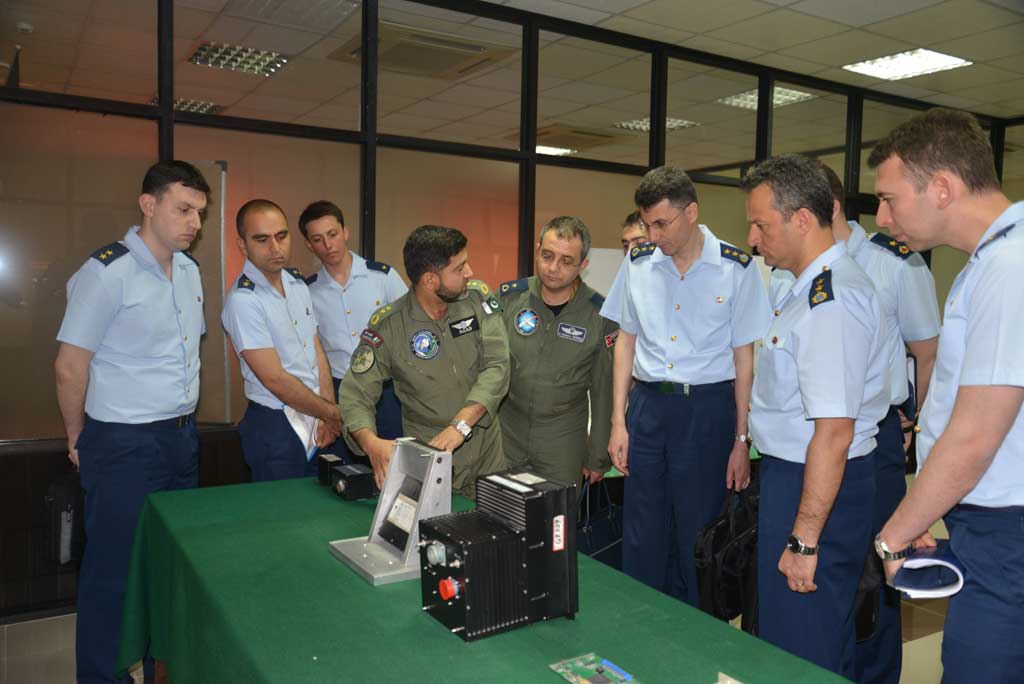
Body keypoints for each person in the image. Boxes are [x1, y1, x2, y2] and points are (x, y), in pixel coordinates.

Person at [872, 109, 1024, 684]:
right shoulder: (992, 261)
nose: (883, 217)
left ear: (942, 187)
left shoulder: (1009, 267)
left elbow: (977, 435)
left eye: (889, 199)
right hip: (992, 525)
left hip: (1008, 533)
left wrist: (892, 537)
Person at [54, 161, 210, 684]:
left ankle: (160, 669)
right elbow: (69, 365)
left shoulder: (188, 271)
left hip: (181, 439)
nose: (194, 223)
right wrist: (79, 437)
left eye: (200, 213)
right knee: (114, 578)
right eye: (183, 209)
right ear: (149, 205)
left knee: (165, 569)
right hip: (123, 444)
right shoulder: (107, 271)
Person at [744, 154, 889, 678]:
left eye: (761, 225)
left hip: (817, 484)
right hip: (797, 477)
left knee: (805, 644)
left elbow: (832, 433)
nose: (754, 239)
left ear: (801, 220)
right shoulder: (805, 288)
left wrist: (804, 541)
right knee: (800, 635)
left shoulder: (832, 301)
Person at [601, 166, 770, 606]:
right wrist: (618, 421)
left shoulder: (736, 268)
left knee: (698, 530)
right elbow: (625, 342)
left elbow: (743, 358)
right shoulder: (638, 265)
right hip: (649, 407)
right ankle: (640, 618)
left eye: (662, 223)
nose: (653, 235)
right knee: (643, 527)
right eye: (647, 224)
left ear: (690, 212)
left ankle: (694, 632)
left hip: (706, 410)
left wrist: (741, 439)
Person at [338, 225, 509, 498]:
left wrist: (460, 425)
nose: (470, 273)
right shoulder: (390, 326)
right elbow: (354, 393)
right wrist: (371, 444)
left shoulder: (477, 299)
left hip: (488, 453)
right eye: (459, 268)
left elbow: (497, 366)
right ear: (430, 281)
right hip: (434, 460)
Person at [221, 199, 341, 481]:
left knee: (322, 515)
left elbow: (316, 351)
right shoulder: (243, 300)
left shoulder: (297, 284)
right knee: (283, 520)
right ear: (243, 246)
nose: (275, 248)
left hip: (317, 417)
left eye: (281, 236)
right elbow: (275, 379)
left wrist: (327, 413)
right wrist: (332, 413)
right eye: (262, 239)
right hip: (277, 425)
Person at [497, 216, 615, 487]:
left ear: (583, 266)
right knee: (500, 518)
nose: (553, 268)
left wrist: (597, 456)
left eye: (566, 261)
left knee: (555, 523)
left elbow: (603, 391)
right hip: (506, 433)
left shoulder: (600, 314)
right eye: (547, 256)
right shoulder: (509, 299)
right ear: (537, 249)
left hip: (562, 439)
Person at [299, 200, 407, 458]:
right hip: (339, 391)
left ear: (345, 232)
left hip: (386, 390)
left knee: (394, 462)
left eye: (333, 235)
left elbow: (409, 328)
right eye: (318, 239)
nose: (328, 245)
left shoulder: (383, 277)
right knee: (344, 469)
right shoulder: (306, 291)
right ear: (308, 244)